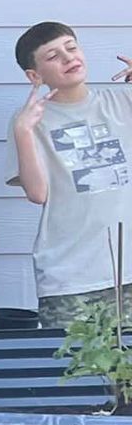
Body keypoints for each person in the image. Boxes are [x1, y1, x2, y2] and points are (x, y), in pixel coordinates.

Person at [9, 21, 132, 326]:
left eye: (71, 47)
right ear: (34, 76)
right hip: (69, 279)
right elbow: (38, 194)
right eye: (52, 56)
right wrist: (24, 131)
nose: (67, 58)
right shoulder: (27, 120)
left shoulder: (123, 100)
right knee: (73, 370)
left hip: (128, 270)